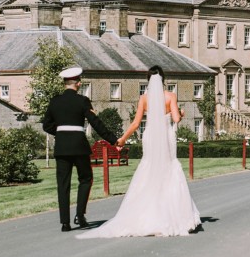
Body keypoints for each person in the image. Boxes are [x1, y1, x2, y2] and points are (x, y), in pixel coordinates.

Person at [77, 66, 201, 238]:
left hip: (150, 136)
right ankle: (175, 216)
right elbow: (176, 119)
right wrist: (180, 112)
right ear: (163, 79)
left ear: (148, 80)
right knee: (168, 169)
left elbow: (136, 123)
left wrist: (122, 139)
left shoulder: (144, 98)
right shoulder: (170, 96)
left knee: (150, 167)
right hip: (165, 137)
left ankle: (145, 214)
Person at [42, 66, 119, 232]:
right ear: (77, 83)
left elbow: (46, 125)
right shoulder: (82, 101)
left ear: (65, 83)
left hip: (62, 147)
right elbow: (96, 123)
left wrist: (61, 132)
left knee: (63, 184)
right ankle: (80, 214)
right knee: (85, 179)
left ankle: (65, 222)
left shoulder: (54, 101)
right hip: (79, 146)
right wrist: (113, 140)